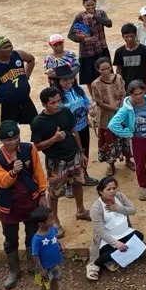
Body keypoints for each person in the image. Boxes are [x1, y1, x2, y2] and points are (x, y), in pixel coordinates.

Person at [0, 119, 47, 289]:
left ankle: (32, 265)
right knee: (10, 239)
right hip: (9, 206)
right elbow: (2, 182)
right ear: (1, 141)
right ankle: (14, 271)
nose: (13, 142)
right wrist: (13, 172)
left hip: (31, 201)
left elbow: (38, 172)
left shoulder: (29, 149)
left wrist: (42, 193)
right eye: (8, 140)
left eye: (16, 138)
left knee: (32, 234)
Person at [31, 86, 88, 233]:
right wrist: (54, 139)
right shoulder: (38, 122)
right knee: (55, 192)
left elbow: (74, 131)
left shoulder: (65, 112)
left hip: (73, 155)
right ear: (44, 104)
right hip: (55, 161)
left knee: (77, 183)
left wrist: (81, 152)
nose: (57, 105)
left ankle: (80, 210)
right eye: (53, 103)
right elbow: (37, 146)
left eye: (58, 101)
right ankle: (55, 220)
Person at [107, 81, 146, 201]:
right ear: (130, 95)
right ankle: (144, 186)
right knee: (140, 164)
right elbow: (112, 125)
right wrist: (129, 133)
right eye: (136, 94)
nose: (139, 96)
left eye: (141, 93)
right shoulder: (126, 108)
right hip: (138, 140)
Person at [87, 177, 141, 282]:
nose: (112, 191)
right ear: (100, 191)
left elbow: (132, 210)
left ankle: (115, 256)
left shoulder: (119, 196)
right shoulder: (96, 209)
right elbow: (100, 231)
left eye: (114, 188)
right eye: (108, 189)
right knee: (108, 253)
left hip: (125, 232)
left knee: (139, 236)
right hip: (109, 239)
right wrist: (116, 244)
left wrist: (117, 208)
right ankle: (98, 263)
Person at [52, 66, 98, 186]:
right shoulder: (56, 95)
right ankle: (69, 183)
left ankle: (84, 174)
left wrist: (91, 109)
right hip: (68, 131)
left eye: (71, 78)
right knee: (71, 156)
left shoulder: (78, 90)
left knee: (84, 152)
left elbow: (87, 104)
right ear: (58, 81)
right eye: (65, 80)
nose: (69, 82)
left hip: (83, 127)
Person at [0, 37, 38, 129]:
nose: (9, 48)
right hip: (6, 105)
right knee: (9, 132)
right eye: (5, 47)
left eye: (10, 45)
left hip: (24, 100)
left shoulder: (19, 54)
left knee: (37, 124)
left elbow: (31, 59)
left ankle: (40, 143)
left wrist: (26, 77)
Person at [68, 0, 113, 85]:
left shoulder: (101, 13)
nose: (90, 7)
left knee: (105, 73)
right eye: (87, 5)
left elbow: (109, 24)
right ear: (83, 5)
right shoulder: (80, 17)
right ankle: (94, 96)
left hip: (101, 48)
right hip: (87, 52)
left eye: (92, 4)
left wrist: (94, 16)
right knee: (89, 77)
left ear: (96, 3)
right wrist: (84, 40)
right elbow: (71, 34)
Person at [28, 206, 63, 290]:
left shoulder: (52, 229)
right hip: (44, 267)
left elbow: (55, 238)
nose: (53, 221)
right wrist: (41, 269)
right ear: (41, 224)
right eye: (50, 219)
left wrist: (60, 244)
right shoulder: (37, 239)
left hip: (54, 264)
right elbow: (35, 255)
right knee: (44, 285)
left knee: (54, 281)